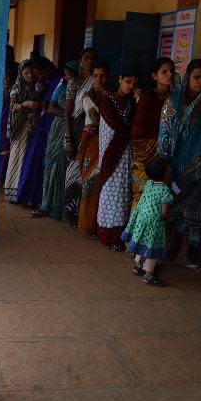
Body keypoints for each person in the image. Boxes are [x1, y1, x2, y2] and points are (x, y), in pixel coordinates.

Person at [158, 59, 201, 267]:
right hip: (175, 168)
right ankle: (159, 252)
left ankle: (185, 253)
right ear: (188, 77)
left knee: (194, 213)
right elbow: (164, 136)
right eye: (197, 77)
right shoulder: (172, 103)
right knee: (169, 208)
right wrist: (164, 165)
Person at [96, 69, 138, 250]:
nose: (130, 86)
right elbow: (114, 127)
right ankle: (106, 233)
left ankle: (119, 235)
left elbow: (134, 127)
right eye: (128, 81)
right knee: (109, 194)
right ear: (119, 78)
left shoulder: (133, 102)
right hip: (111, 155)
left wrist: (138, 102)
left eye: (134, 83)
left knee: (123, 194)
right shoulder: (107, 100)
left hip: (126, 155)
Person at [33, 61, 80, 218]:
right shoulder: (61, 88)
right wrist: (67, 115)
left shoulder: (78, 90)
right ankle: (46, 205)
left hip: (70, 129)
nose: (68, 76)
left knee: (63, 167)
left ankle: (59, 207)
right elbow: (50, 108)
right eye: (66, 73)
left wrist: (69, 117)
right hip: (57, 129)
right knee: (51, 164)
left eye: (71, 73)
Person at [131, 57, 175, 210]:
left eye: (171, 71)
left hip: (166, 156)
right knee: (143, 195)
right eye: (164, 71)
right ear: (154, 76)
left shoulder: (175, 99)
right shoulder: (147, 99)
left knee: (162, 198)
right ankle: (135, 231)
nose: (169, 74)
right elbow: (138, 132)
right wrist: (156, 146)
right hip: (146, 157)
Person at [122, 156, 174, 286]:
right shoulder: (165, 190)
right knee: (152, 249)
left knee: (143, 243)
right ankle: (149, 276)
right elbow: (164, 211)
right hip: (154, 223)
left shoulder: (148, 184)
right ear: (164, 174)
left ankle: (138, 266)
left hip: (142, 218)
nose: (170, 169)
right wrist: (166, 219)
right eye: (168, 168)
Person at [18, 58, 62, 207]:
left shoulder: (59, 81)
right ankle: (28, 197)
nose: (40, 77)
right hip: (42, 125)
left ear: (48, 69)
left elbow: (58, 105)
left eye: (41, 73)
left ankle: (40, 200)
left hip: (53, 126)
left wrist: (46, 104)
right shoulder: (46, 82)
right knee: (34, 159)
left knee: (44, 162)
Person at [63, 48, 99, 224]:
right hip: (76, 134)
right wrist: (69, 140)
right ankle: (69, 214)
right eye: (86, 58)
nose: (90, 61)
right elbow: (68, 113)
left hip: (92, 136)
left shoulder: (99, 82)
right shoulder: (74, 83)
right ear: (80, 61)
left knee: (88, 175)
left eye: (93, 58)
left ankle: (83, 218)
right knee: (72, 174)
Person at [76, 63, 109, 235]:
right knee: (89, 184)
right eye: (95, 75)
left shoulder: (110, 97)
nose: (98, 79)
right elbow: (94, 122)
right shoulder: (88, 96)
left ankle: (98, 226)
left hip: (106, 143)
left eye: (102, 76)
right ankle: (85, 224)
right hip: (91, 143)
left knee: (102, 185)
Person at [4, 60, 41, 202]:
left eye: (31, 72)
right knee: (16, 157)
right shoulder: (17, 88)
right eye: (26, 73)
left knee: (26, 158)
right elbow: (14, 107)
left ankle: (21, 191)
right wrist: (26, 104)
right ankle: (11, 191)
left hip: (30, 127)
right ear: (21, 73)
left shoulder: (35, 88)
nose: (30, 75)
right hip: (19, 128)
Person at [0, 67, 17, 186]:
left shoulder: (13, 93)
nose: (5, 81)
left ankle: (1, 177)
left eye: (8, 79)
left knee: (6, 149)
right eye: (3, 79)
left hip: (8, 123)